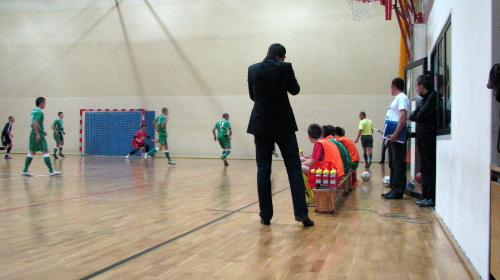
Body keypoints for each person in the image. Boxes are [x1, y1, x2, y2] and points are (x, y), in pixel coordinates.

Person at [247, 43, 313, 227]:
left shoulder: (252, 69)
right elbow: (295, 90)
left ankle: (265, 216)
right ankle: (301, 214)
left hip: (260, 124)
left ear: (267, 53)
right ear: (282, 57)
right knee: (293, 168)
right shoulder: (285, 67)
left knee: (263, 170)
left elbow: (253, 96)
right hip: (283, 123)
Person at [410, 74, 438, 207]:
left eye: (416, 86)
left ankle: (430, 196)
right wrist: (418, 114)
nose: (416, 89)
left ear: (422, 86)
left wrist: (418, 114)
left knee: (429, 167)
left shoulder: (433, 98)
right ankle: (426, 195)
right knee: (424, 167)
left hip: (428, 138)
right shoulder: (424, 100)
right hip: (422, 137)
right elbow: (413, 115)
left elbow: (419, 114)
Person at [381, 78, 409, 199]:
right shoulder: (397, 99)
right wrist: (388, 137)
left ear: (393, 86)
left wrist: (396, 134)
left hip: (397, 137)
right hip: (392, 137)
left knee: (397, 163)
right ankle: (394, 188)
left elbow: (402, 117)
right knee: (393, 163)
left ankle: (398, 190)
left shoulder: (402, 98)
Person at [21, 97, 62, 177]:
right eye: (45, 103)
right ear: (41, 103)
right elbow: (35, 123)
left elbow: (34, 123)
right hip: (37, 134)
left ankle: (25, 170)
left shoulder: (33, 111)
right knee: (45, 152)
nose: (45, 104)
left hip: (32, 133)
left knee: (32, 152)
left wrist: (42, 131)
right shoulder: (40, 112)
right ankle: (51, 171)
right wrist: (38, 134)